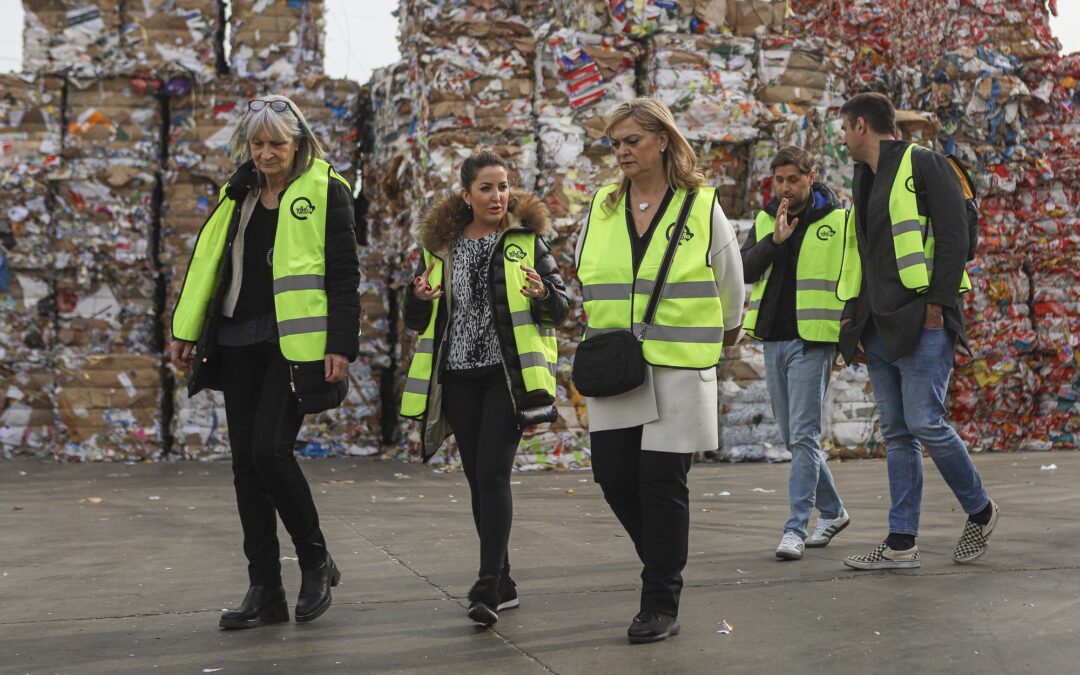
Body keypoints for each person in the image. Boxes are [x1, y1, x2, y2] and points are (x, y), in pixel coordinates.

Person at [170, 95, 360, 628]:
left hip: (292, 345)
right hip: (235, 341)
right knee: (245, 468)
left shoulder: (327, 190)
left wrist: (340, 344)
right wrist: (187, 332)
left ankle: (316, 559)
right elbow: (209, 266)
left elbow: (345, 275)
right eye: (257, 143)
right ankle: (265, 587)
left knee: (269, 452)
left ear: (297, 141)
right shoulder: (240, 193)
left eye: (276, 142)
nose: (266, 152)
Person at [575, 98, 743, 644]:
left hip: (678, 363)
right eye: (615, 143)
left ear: (663, 140)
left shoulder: (700, 205)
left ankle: (659, 600)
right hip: (618, 364)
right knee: (613, 476)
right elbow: (585, 275)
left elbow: (728, 279)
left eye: (633, 141)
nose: (622, 151)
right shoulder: (601, 205)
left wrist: (728, 331)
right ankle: (664, 560)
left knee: (661, 482)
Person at [400, 150, 570, 626]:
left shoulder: (526, 242)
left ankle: (488, 584)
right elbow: (414, 317)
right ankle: (506, 580)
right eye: (487, 188)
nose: (498, 196)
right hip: (457, 375)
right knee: (477, 478)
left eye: (503, 186)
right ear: (466, 194)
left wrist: (543, 295)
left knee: (493, 473)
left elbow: (561, 309)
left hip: (506, 376)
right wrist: (416, 298)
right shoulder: (441, 247)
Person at [835, 92, 998, 570]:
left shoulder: (925, 164)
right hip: (880, 325)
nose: (842, 139)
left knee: (926, 421)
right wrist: (854, 323)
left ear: (862, 125)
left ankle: (981, 510)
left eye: (844, 129)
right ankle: (901, 543)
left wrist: (937, 308)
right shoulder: (864, 178)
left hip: (924, 318)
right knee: (899, 433)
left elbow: (953, 240)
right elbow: (864, 256)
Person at [741, 146, 850, 561]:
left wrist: (846, 338)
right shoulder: (769, 218)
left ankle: (795, 529)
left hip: (813, 340)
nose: (785, 188)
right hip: (774, 338)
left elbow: (851, 279)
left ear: (811, 176)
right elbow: (746, 269)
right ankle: (835, 511)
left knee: (804, 435)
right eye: (779, 180)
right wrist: (774, 240)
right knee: (793, 437)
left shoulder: (838, 221)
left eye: (793, 180)